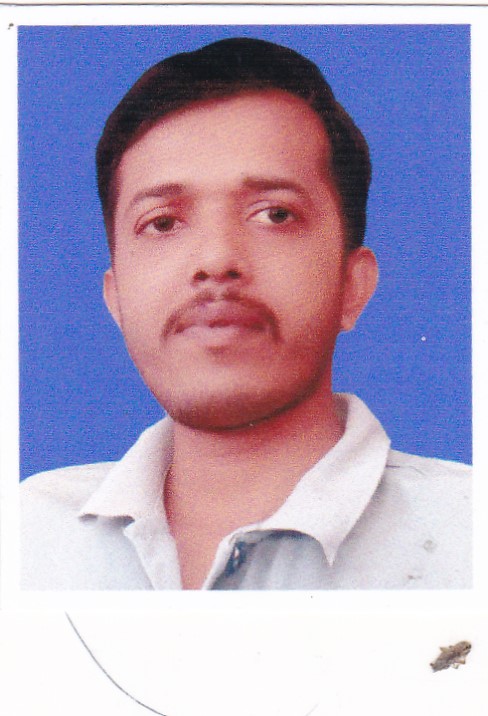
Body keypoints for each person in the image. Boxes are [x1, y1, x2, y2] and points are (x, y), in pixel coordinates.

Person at [21, 37, 471, 590]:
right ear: (117, 300)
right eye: (162, 223)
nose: (216, 261)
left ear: (352, 286)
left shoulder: (468, 535)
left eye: (275, 214)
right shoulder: (25, 537)